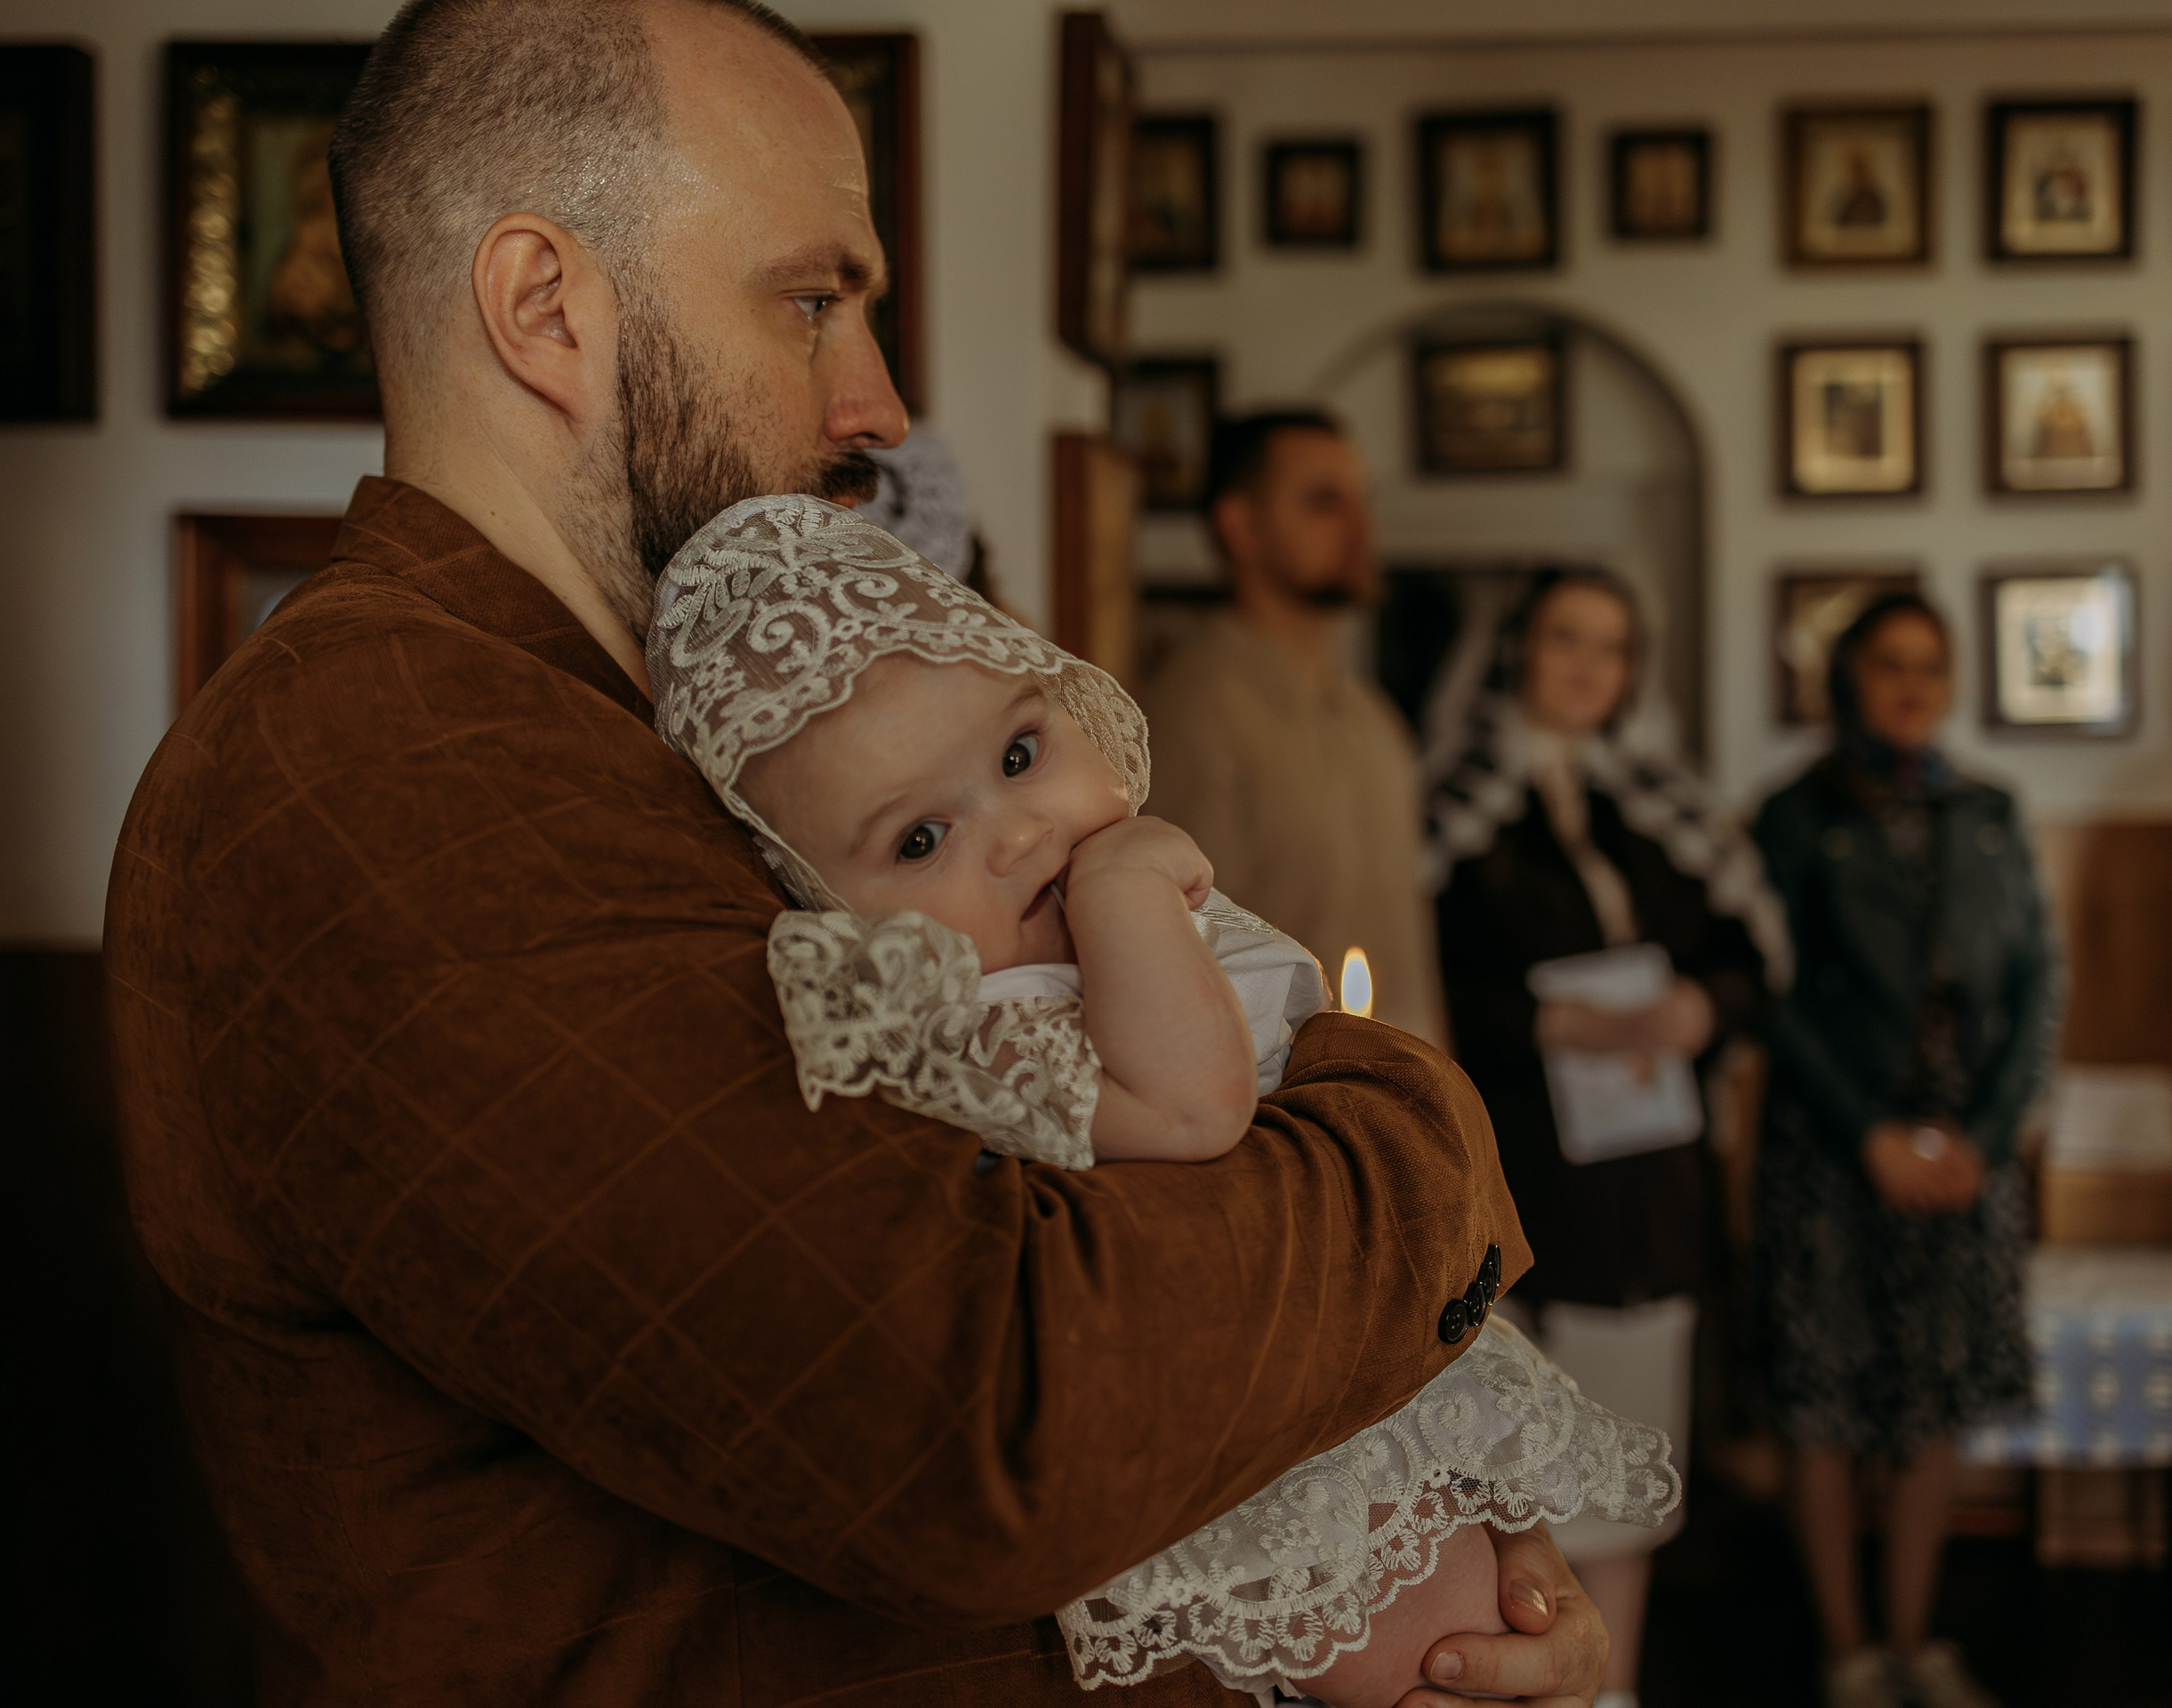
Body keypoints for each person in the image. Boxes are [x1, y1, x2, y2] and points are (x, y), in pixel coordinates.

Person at [100, 4, 1612, 1703]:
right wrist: (1419, 1133)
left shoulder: (665, 743)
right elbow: (989, 1420)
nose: (881, 405)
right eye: (810, 299)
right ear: (545, 309)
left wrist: (1424, 1573)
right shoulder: (390, 752)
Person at [650, 494, 1684, 1706]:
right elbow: (1192, 1114)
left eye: (1022, 757)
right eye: (920, 839)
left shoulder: (1106, 927)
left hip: (1367, 1373)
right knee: (1448, 1659)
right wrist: (1134, 899)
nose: (1018, 835)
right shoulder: (985, 1026)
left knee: (1512, 1630)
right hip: (1272, 1463)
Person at [1426, 569, 1786, 1708]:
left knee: (1626, 1481)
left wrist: (1698, 1011)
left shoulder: (1660, 807)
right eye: (1563, 639)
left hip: (1646, 1186)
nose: (1587, 666)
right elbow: (1414, 976)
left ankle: (1610, 1693)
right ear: (1513, 654)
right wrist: (1545, 1019)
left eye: (1612, 647)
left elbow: (1749, 966)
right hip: (1517, 1177)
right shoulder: (1449, 810)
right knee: (1507, 1487)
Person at [1751, 593, 2055, 1708]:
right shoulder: (1792, 812)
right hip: (1833, 1148)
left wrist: (1986, 1140)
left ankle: (1913, 1637)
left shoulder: (1991, 810)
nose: (1914, 684)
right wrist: (1866, 1133)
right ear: (1848, 681)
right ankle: (1847, 1652)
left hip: (1965, 1157)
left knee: (1935, 1402)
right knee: (1822, 1401)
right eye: (1890, 664)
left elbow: (2036, 986)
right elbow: (1772, 996)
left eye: (1932, 665)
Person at [1142, 411, 1447, 1044]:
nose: (1362, 528)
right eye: (1323, 502)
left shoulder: (1372, 716)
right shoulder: (1195, 705)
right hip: (1288, 1111)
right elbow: (1180, 944)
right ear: (1243, 526)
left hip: (1408, 1102)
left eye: (1363, 502)